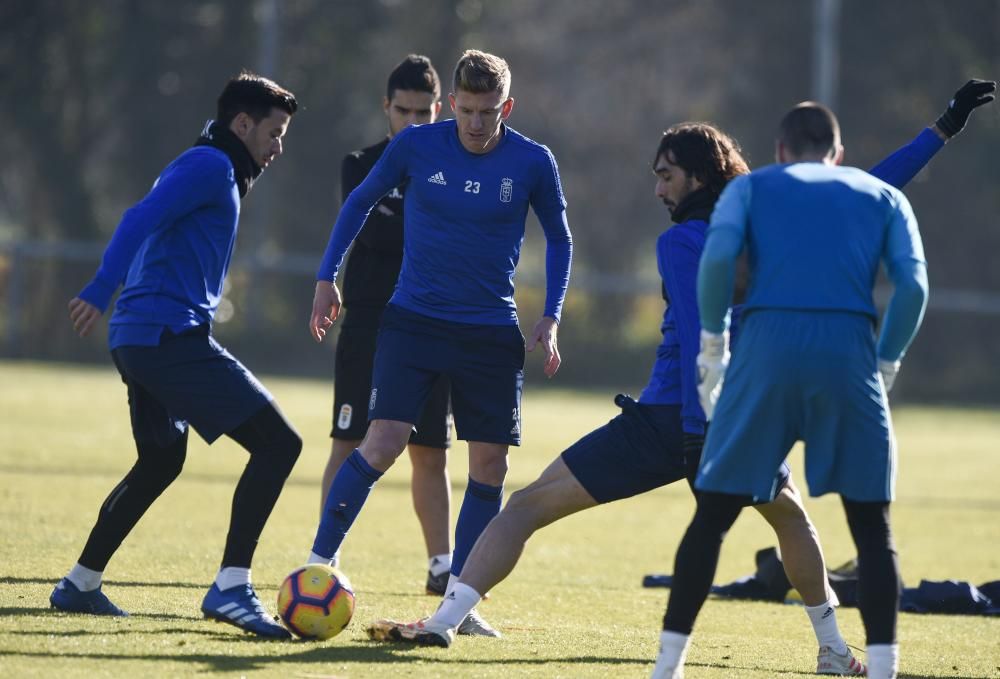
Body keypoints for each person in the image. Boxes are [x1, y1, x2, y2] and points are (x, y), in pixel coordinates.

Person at [363, 79, 995, 676]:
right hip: (742, 415)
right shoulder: (767, 221)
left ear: (694, 174)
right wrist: (944, 127)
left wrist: (698, 431)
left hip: (677, 420)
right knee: (792, 519)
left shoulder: (684, 241)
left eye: (664, 175)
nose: (658, 189)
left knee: (526, 506)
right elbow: (878, 185)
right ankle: (832, 649)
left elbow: (700, 335)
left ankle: (445, 621)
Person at [651, 102, 930, 679]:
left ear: (778, 152)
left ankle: (668, 666)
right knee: (872, 530)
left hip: (765, 358)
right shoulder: (877, 196)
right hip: (848, 355)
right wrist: (886, 365)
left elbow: (718, 262)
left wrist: (711, 349)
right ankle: (880, 669)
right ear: (839, 156)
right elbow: (914, 287)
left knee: (712, 520)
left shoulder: (748, 193)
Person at [308, 49, 573, 636]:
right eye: (468, 110)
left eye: (489, 112)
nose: (477, 124)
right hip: (414, 322)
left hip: (489, 332)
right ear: (451, 104)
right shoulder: (418, 146)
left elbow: (559, 238)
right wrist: (328, 277)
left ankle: (458, 604)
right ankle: (318, 566)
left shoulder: (533, 161)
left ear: (508, 107)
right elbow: (359, 201)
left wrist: (551, 316)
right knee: (380, 442)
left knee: (490, 466)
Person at [51, 72, 300, 639]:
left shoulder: (216, 164)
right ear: (243, 124)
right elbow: (138, 218)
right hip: (166, 336)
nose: (278, 145)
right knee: (279, 443)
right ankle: (232, 588)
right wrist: (99, 286)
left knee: (162, 460)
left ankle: (80, 583)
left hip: (145, 337)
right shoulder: (209, 165)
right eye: (274, 131)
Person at [323, 54, 455, 596]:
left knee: (431, 452)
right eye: (404, 111)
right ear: (387, 108)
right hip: (370, 322)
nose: (414, 122)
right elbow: (375, 235)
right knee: (350, 439)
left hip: (432, 322)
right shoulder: (362, 163)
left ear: (439, 109)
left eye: (424, 112)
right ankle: (323, 559)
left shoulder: (455, 168)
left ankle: (441, 566)